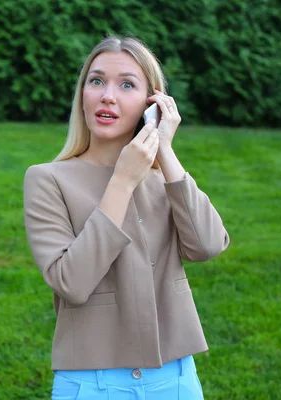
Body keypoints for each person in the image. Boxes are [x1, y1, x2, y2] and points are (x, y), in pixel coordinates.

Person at [23, 35, 230, 400]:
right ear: (82, 95)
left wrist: (164, 151)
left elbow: (208, 246)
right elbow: (70, 281)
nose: (107, 95)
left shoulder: (165, 180)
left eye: (127, 84)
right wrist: (122, 180)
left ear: (153, 104)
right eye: (96, 81)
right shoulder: (47, 179)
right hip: (91, 383)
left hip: (176, 379)